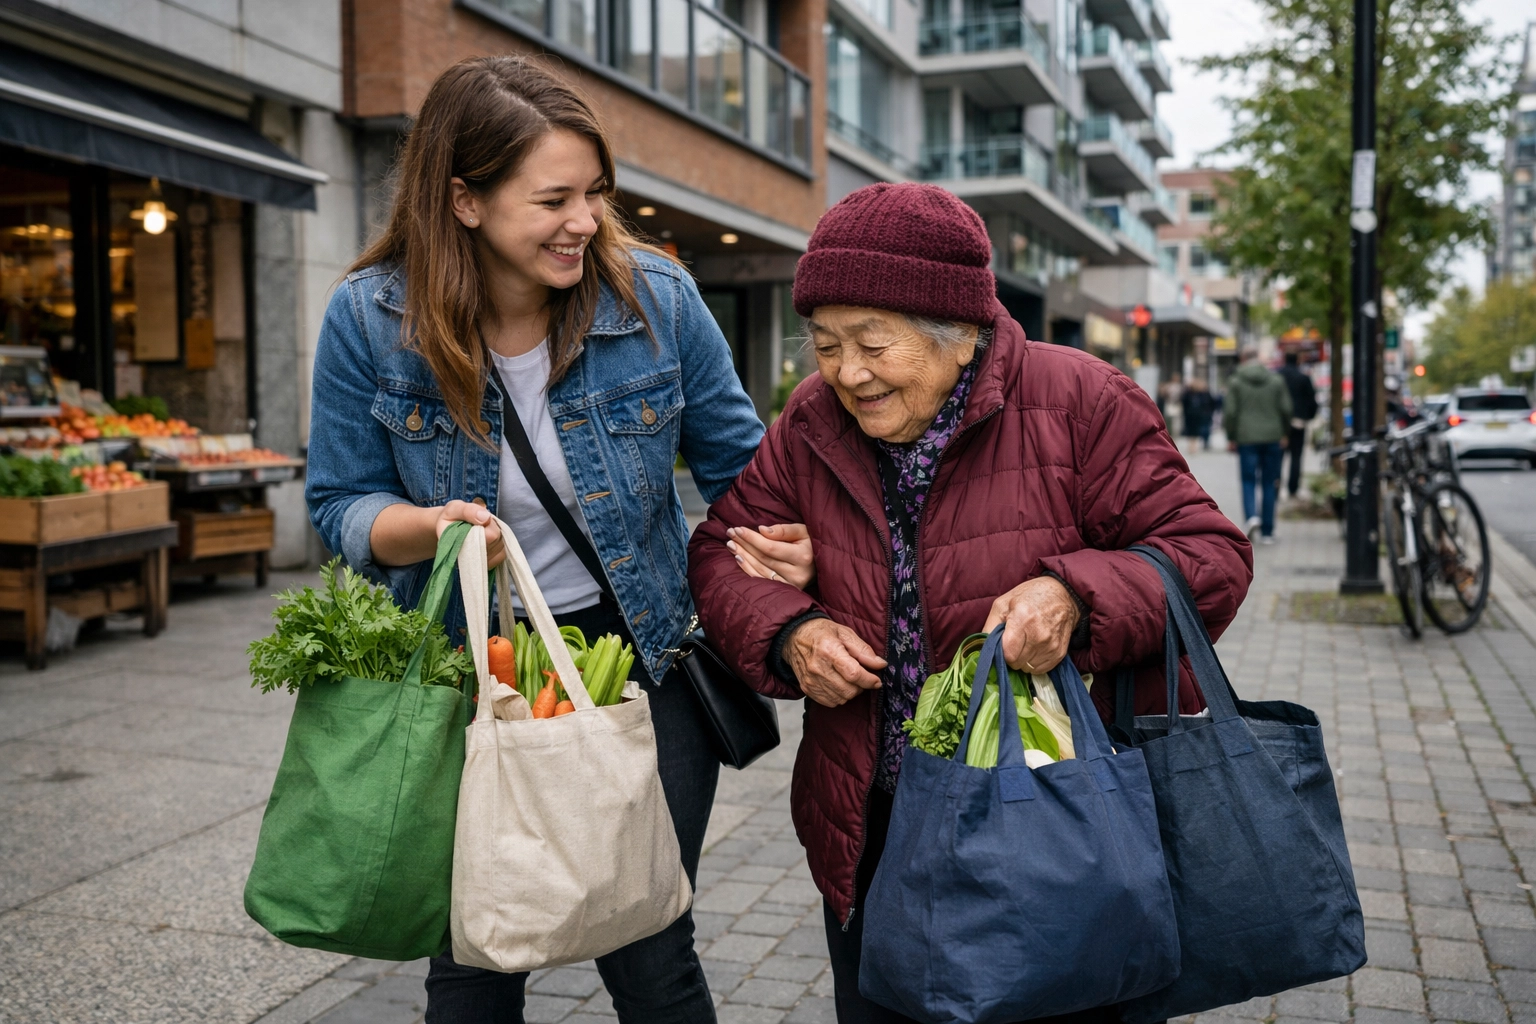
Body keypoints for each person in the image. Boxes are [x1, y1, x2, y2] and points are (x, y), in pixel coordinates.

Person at [689, 184, 1253, 1024]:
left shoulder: (1081, 400)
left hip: (1062, 819)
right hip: (876, 823)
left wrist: (1075, 595)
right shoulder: (811, 419)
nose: (847, 372)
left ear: (960, 337)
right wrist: (791, 631)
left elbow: (1212, 557)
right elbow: (718, 553)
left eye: (874, 343)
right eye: (827, 343)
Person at [305, 55, 766, 1024]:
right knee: (476, 948)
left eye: (595, 192)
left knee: (647, 940)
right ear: (464, 200)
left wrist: (778, 550)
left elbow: (745, 474)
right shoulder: (369, 318)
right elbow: (342, 500)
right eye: (553, 197)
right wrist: (427, 527)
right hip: (469, 667)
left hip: (640, 653)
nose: (586, 220)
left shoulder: (657, 300)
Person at [1224, 347, 1293, 544]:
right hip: (1273, 437)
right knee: (1269, 483)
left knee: (1248, 480)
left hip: (1246, 438)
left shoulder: (1236, 381)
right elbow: (1286, 409)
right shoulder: (1276, 381)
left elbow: (1230, 413)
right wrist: (1285, 433)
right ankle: (1268, 531)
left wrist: (1231, 436)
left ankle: (1251, 517)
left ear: (1244, 359)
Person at [1278, 352, 1319, 497]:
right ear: (1298, 360)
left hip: (1279, 424)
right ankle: (1292, 489)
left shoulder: (1277, 376)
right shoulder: (1303, 377)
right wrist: (1308, 417)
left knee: (1278, 458)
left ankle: (1275, 488)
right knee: (1296, 457)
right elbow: (1312, 401)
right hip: (1298, 422)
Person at [1181, 376, 1216, 450]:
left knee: (1199, 430)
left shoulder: (1203, 394)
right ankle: (1192, 445)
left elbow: (1211, 403)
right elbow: (1184, 403)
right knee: (1191, 430)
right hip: (1191, 415)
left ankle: (1198, 444)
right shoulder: (1188, 394)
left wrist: (1209, 411)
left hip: (1201, 414)